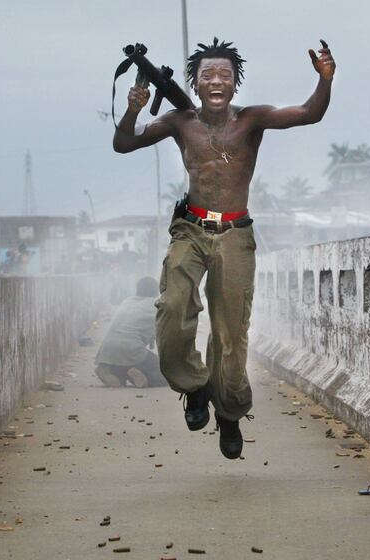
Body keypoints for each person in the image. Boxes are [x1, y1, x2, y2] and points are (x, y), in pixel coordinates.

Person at [113, 37, 335, 459]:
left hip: (236, 233)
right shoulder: (180, 122)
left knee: (231, 333)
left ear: (236, 84)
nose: (216, 81)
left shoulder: (252, 120)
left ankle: (229, 412)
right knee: (173, 306)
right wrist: (133, 109)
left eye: (225, 76)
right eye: (208, 75)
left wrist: (324, 80)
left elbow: (310, 113)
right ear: (195, 83)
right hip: (191, 230)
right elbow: (124, 143)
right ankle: (195, 386)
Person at [95, 276, 167, 389]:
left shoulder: (127, 301)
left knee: (124, 363)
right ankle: (145, 376)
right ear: (155, 291)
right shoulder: (158, 305)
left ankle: (110, 372)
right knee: (165, 373)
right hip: (131, 349)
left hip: (106, 351)